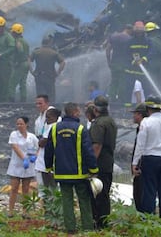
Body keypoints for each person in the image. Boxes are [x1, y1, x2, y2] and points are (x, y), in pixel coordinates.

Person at [45, 102, 99, 235]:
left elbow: (49, 150)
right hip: (79, 174)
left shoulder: (54, 129)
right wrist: (93, 170)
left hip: (62, 174)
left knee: (67, 201)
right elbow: (88, 151)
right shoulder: (80, 129)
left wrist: (48, 167)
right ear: (75, 112)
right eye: (78, 110)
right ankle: (87, 228)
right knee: (84, 200)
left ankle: (71, 229)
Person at [89, 95, 117, 229]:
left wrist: (91, 166)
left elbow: (96, 146)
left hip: (99, 164)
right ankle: (104, 222)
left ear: (95, 109)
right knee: (104, 194)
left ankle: (99, 223)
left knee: (98, 195)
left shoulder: (98, 123)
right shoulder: (110, 121)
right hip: (108, 163)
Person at [6, 116, 39, 218]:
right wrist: (24, 158)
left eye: (21, 124)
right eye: (18, 124)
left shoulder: (32, 136)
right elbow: (15, 147)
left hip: (28, 166)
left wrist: (35, 157)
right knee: (14, 188)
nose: (19, 126)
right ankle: (10, 211)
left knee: (26, 189)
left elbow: (38, 148)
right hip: (16, 165)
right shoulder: (14, 134)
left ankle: (25, 211)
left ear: (26, 124)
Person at [29, 36, 65, 102]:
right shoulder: (54, 53)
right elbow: (62, 62)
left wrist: (31, 71)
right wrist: (58, 72)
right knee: (51, 95)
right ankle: (51, 109)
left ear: (42, 43)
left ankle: (41, 109)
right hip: (50, 76)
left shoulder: (36, 52)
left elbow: (28, 60)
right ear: (50, 43)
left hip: (39, 75)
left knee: (40, 95)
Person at [124, 21, 152, 104]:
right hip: (131, 70)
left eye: (141, 32)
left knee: (147, 89)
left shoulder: (148, 41)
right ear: (135, 32)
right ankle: (128, 109)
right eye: (137, 32)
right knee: (128, 90)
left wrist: (143, 59)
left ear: (143, 32)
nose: (139, 34)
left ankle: (148, 108)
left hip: (144, 70)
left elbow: (151, 53)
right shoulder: (129, 41)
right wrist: (133, 61)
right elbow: (126, 54)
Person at [33, 95, 57, 194]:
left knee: (52, 183)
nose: (38, 106)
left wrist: (43, 141)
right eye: (37, 104)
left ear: (47, 103)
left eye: (41, 103)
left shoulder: (53, 115)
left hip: (51, 152)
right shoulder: (39, 119)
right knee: (42, 184)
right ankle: (46, 206)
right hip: (41, 152)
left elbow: (48, 137)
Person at [0, 16, 15, 102]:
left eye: (0, 26)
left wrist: (2, 55)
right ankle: (0, 100)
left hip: (4, 64)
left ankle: (5, 101)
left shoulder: (8, 37)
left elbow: (12, 48)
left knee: (5, 83)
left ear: (3, 26)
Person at [105, 24, 133, 102]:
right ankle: (120, 99)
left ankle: (112, 98)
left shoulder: (113, 36)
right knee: (123, 81)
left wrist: (109, 61)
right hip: (125, 64)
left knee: (114, 81)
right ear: (129, 29)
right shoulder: (130, 39)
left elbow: (108, 50)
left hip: (114, 63)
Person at [129, 103, 148, 212]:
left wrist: (135, 165)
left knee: (140, 191)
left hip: (141, 164)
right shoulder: (139, 128)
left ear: (140, 115)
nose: (133, 116)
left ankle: (143, 214)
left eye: (135, 114)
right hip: (141, 163)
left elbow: (140, 148)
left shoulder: (143, 128)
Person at [8, 23, 30, 102]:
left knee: (12, 84)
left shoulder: (17, 41)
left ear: (15, 32)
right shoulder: (25, 42)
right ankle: (23, 100)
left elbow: (20, 51)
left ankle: (11, 101)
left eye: (12, 32)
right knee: (22, 84)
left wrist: (17, 61)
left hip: (20, 64)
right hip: (26, 64)